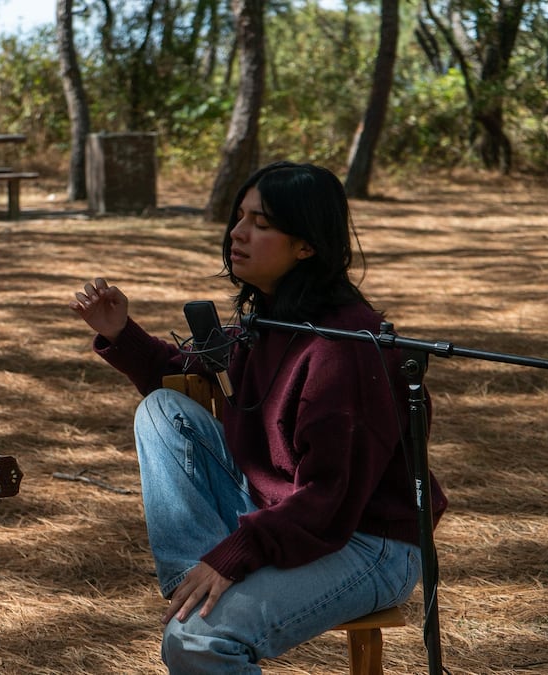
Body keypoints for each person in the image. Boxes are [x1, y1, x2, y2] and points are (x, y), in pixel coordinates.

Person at [69, 161, 447, 673]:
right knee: (162, 409)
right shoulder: (269, 318)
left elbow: (332, 498)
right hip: (287, 512)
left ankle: (204, 609)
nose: (237, 234)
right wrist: (121, 333)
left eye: (261, 224)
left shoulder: (343, 349)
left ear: (306, 245)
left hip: (366, 541)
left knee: (196, 642)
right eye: (240, 217)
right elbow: (191, 378)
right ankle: (194, 586)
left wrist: (235, 553)